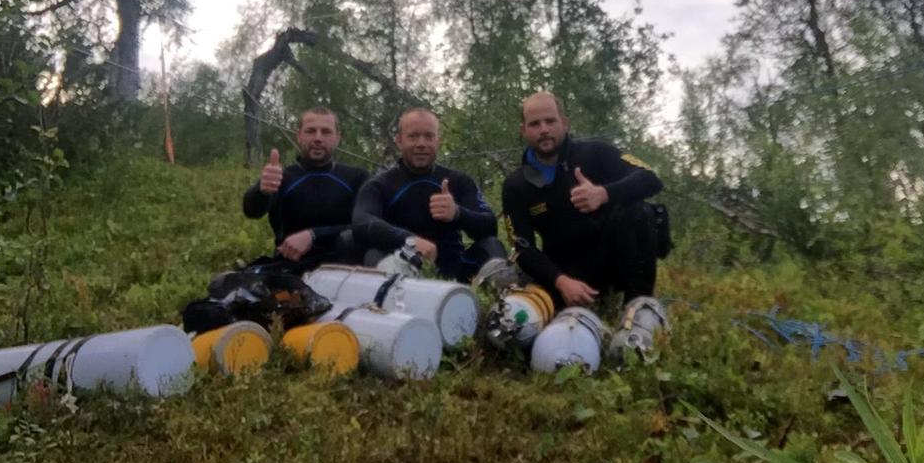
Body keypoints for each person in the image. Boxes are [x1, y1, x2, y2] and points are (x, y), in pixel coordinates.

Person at [501, 92, 663, 308]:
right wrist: (560, 281)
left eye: (550, 121)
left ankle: (638, 309)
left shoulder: (596, 153)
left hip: (613, 259)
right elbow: (522, 247)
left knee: (640, 211)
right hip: (563, 273)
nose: (544, 130)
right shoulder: (516, 185)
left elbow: (651, 178)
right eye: (534, 124)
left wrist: (604, 194)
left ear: (565, 123)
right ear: (523, 130)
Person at [352, 108, 505, 282]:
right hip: (403, 269)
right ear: (399, 141)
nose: (421, 144)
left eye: (429, 136)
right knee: (373, 253)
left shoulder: (459, 181)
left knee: (491, 245)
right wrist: (409, 241)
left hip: (454, 272)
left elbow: (491, 226)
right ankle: (383, 304)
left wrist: (458, 213)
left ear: (438, 141)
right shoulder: (379, 184)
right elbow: (361, 222)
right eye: (413, 136)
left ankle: (505, 303)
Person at [242, 107, 369, 272]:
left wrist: (314, 235)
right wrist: (261, 190)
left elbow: (368, 226)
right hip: (291, 268)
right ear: (299, 136)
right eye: (310, 131)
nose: (318, 138)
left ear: (338, 137)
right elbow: (252, 211)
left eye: (326, 132)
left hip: (344, 270)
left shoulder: (357, 177)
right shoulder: (283, 177)